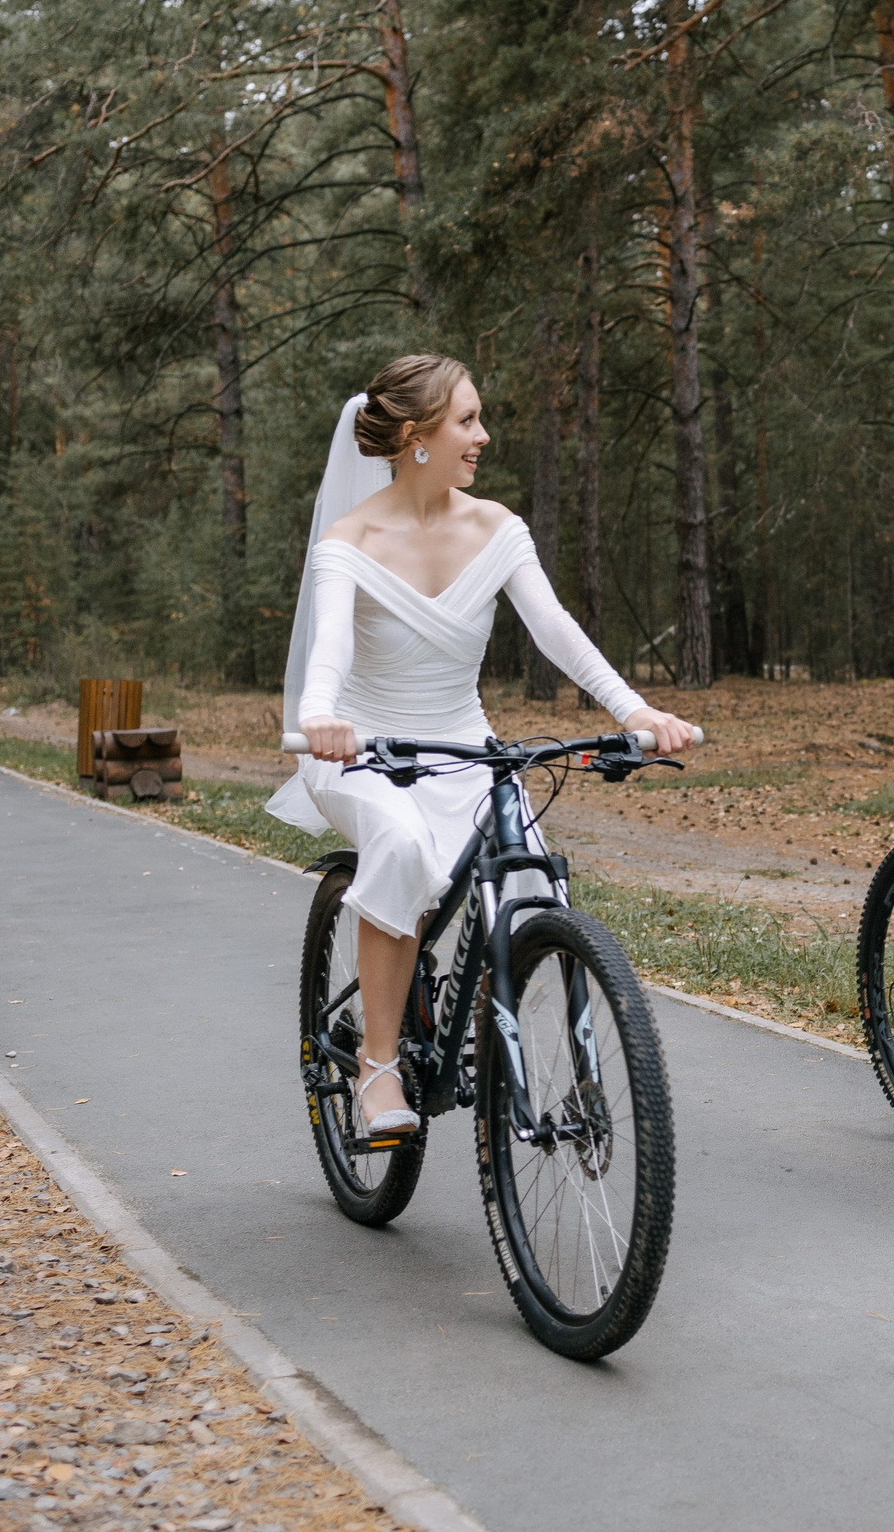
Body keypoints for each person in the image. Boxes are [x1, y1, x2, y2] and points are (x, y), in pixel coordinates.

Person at [267, 354, 699, 1134]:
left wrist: (634, 710)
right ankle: (377, 1068)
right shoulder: (348, 540)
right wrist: (323, 713)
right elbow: (328, 649)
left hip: (467, 746)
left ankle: (561, 1066)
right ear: (414, 436)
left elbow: (557, 631)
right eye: (466, 420)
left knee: (534, 878)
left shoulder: (496, 526)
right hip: (364, 749)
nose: (483, 436)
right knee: (398, 845)